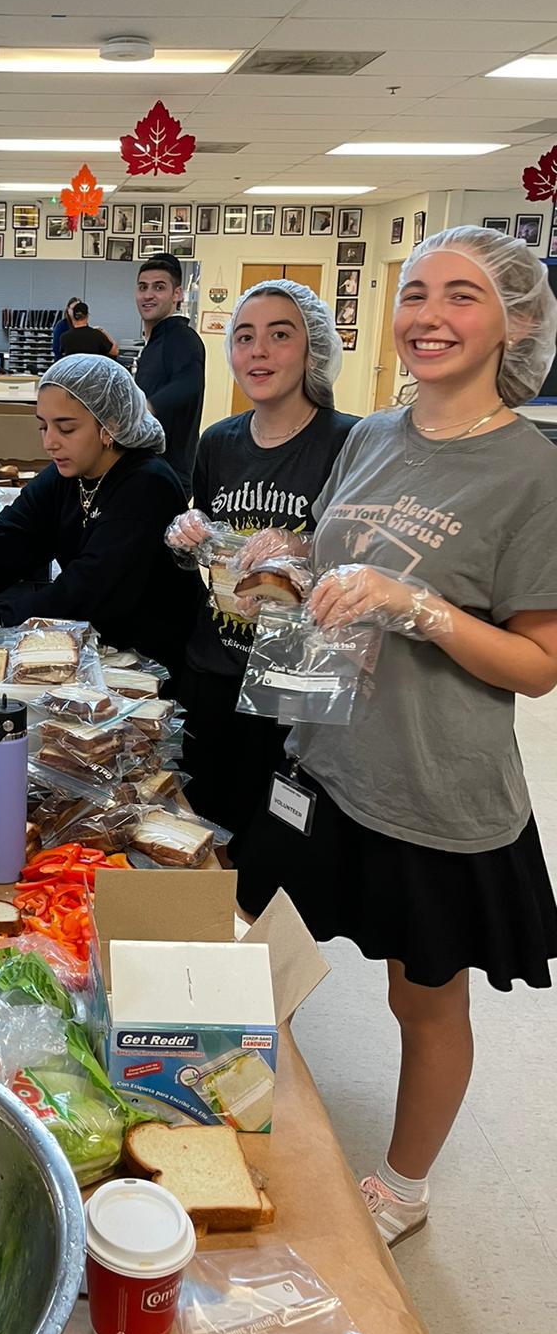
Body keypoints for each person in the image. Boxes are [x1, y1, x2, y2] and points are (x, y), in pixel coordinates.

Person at [236, 228, 557, 1247]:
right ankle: (227, 1119)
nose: (428, 316)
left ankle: (403, 1189)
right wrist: (283, 559)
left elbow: (539, 664)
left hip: (433, 785)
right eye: (415, 293)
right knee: (261, 955)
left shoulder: (532, 471)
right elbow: (340, 554)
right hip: (323, 758)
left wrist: (416, 607)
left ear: (515, 324)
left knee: (423, 1001)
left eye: (462, 296)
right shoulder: (372, 433)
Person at [165, 280, 359, 857]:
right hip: (213, 669)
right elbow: (206, 549)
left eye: (280, 335)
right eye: (245, 336)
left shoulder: (349, 442)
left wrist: (303, 545)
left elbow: (367, 556)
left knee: (277, 847)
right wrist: (187, 534)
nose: (259, 351)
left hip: (294, 683)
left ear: (313, 349)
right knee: (204, 833)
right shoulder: (218, 442)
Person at [0, 355, 203, 671]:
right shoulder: (67, 476)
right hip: (97, 651)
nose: (49, 443)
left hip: (153, 662)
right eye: (43, 426)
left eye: (66, 428)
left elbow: (89, 589)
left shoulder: (148, 485)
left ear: (111, 426)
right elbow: (7, 536)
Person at [134, 254, 206, 498]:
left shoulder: (182, 337)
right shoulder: (156, 342)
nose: (148, 295)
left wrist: (145, 407)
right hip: (147, 469)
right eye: (142, 287)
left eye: (159, 287)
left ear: (177, 294)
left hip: (168, 474)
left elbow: (190, 384)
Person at [51, 296, 81, 361]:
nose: (76, 312)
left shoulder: (82, 325)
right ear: (68, 310)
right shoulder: (61, 325)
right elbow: (56, 348)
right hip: (63, 361)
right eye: (73, 309)